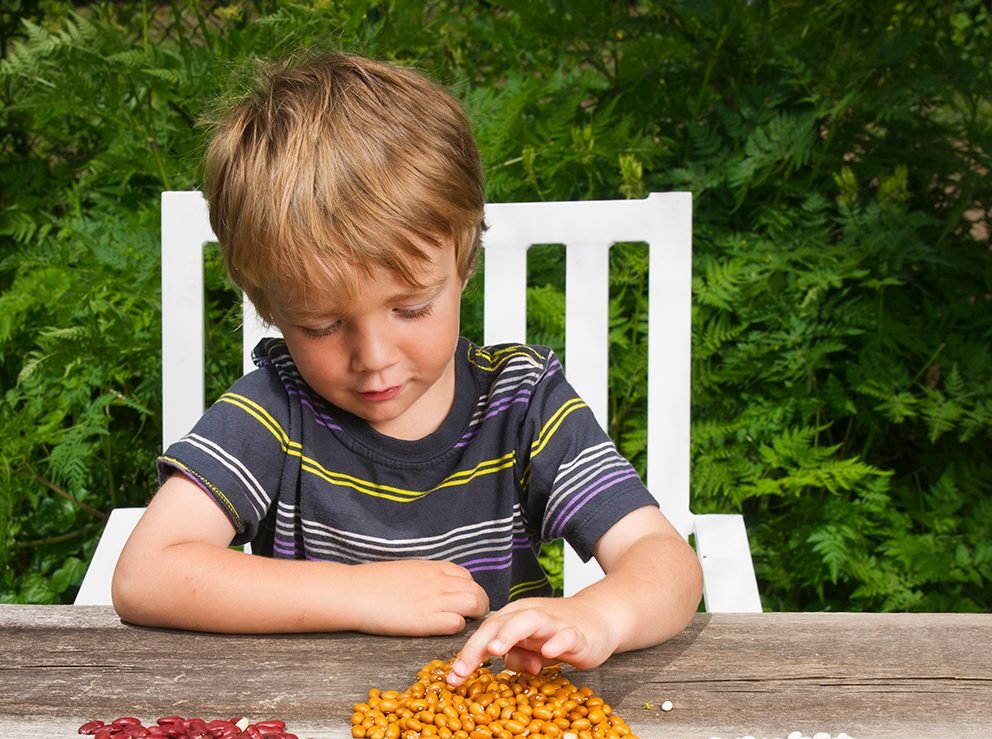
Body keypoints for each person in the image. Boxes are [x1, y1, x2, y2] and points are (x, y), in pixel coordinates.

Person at [111, 52, 703, 685]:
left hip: (495, 736)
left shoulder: (521, 403)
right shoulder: (274, 413)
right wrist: (359, 592)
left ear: (464, 262)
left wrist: (599, 617)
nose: (374, 357)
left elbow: (664, 561)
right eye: (321, 325)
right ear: (268, 307)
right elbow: (146, 575)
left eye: (412, 308)